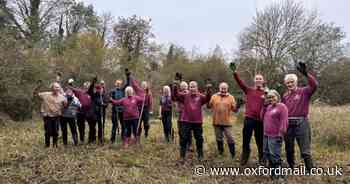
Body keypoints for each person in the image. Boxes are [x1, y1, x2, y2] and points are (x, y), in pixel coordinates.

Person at [282, 62, 318, 173]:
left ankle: (310, 171)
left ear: (296, 82)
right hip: (288, 125)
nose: (290, 84)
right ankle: (291, 167)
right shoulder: (285, 96)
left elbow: (314, 85)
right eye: (288, 83)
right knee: (289, 148)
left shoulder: (304, 91)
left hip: (301, 123)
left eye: (292, 82)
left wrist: (306, 74)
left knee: (305, 150)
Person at [230, 62, 266, 165]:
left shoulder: (266, 92)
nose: (258, 80)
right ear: (254, 81)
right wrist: (235, 73)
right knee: (246, 139)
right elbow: (240, 83)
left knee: (260, 141)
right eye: (257, 79)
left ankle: (262, 158)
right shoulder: (249, 90)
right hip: (249, 119)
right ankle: (245, 156)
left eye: (260, 79)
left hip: (260, 121)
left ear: (263, 81)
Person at [173, 80, 212, 162]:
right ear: (189, 87)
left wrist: (208, 90)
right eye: (191, 87)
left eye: (194, 86)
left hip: (197, 122)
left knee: (199, 139)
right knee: (183, 139)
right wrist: (175, 86)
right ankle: (182, 157)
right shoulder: (185, 96)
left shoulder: (201, 96)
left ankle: (200, 156)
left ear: (197, 87)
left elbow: (208, 98)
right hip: (186, 121)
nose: (192, 88)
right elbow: (176, 95)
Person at [260, 90, 288, 181]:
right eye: (269, 97)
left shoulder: (282, 107)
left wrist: (281, 134)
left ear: (277, 96)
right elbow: (261, 117)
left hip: (275, 135)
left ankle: (279, 175)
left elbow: (284, 121)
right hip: (266, 135)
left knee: (275, 155)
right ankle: (273, 174)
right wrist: (264, 106)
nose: (271, 99)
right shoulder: (268, 107)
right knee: (267, 153)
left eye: (273, 97)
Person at [207, 82, 237, 158]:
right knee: (219, 138)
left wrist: (238, 106)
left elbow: (234, 109)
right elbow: (209, 106)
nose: (223, 90)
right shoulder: (214, 96)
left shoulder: (231, 97)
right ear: (219, 88)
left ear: (227, 89)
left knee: (230, 138)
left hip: (227, 122)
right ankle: (221, 152)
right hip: (216, 121)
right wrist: (208, 95)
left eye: (225, 88)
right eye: (222, 88)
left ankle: (233, 154)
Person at [34, 82, 67, 147]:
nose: (57, 88)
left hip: (56, 116)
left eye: (58, 87)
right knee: (48, 131)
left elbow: (65, 106)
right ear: (52, 88)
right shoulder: (45, 94)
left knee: (56, 131)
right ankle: (47, 145)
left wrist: (62, 109)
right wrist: (37, 87)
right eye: (55, 87)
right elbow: (35, 94)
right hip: (47, 116)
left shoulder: (62, 97)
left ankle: (55, 145)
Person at [68, 78, 97, 144]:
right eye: (85, 85)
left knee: (92, 126)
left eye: (88, 85)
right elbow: (72, 88)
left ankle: (91, 140)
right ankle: (82, 140)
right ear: (83, 86)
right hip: (80, 112)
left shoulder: (91, 93)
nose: (86, 86)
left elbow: (92, 88)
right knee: (81, 127)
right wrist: (70, 83)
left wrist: (93, 82)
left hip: (89, 112)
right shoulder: (79, 92)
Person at [110, 73, 130, 143]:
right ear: (115, 84)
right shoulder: (112, 91)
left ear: (121, 84)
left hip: (122, 110)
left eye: (119, 84)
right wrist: (112, 101)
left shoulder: (122, 90)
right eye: (117, 83)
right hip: (115, 111)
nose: (118, 84)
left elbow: (127, 84)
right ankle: (112, 140)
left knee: (123, 125)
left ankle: (123, 138)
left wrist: (127, 76)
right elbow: (110, 100)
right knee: (115, 125)